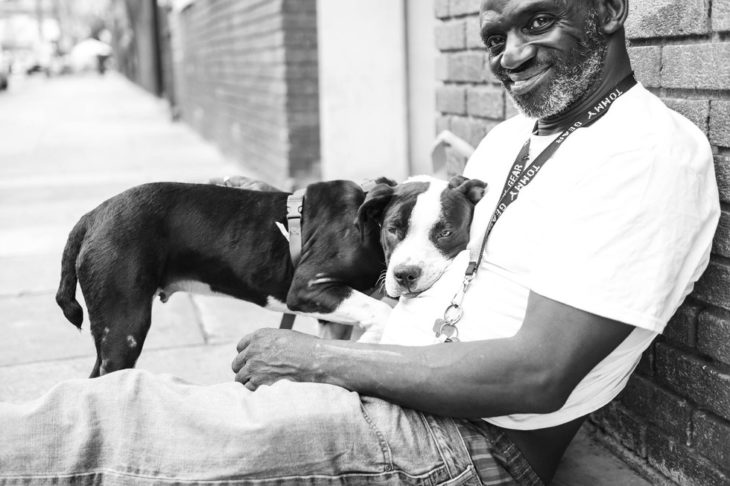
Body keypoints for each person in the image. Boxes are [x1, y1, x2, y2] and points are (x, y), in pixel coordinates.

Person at [0, 0, 719, 484]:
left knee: (111, 426)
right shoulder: (509, 139)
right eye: (495, 36)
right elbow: (429, 244)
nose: (510, 55)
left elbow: (537, 376)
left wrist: (323, 356)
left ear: (609, 10)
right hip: (395, 384)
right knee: (133, 413)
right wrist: (268, 215)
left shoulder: (645, 152)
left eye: (537, 21)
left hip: (460, 444)